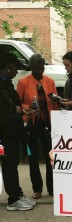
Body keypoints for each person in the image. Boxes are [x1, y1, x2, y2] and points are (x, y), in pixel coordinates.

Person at [17, 54, 58, 199]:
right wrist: (27, 107)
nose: (39, 71)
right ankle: (37, 189)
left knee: (51, 157)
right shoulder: (23, 82)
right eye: (36, 69)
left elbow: (55, 102)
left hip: (47, 124)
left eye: (41, 68)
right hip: (31, 125)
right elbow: (17, 104)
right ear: (31, 68)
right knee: (33, 157)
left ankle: (52, 188)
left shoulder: (50, 81)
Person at [0, 52, 36, 210]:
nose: (17, 72)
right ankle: (14, 199)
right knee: (9, 165)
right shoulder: (2, 86)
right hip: (5, 133)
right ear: (7, 68)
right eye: (15, 68)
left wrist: (20, 110)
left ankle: (17, 194)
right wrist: (14, 110)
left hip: (11, 131)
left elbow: (12, 106)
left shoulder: (7, 84)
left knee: (11, 164)